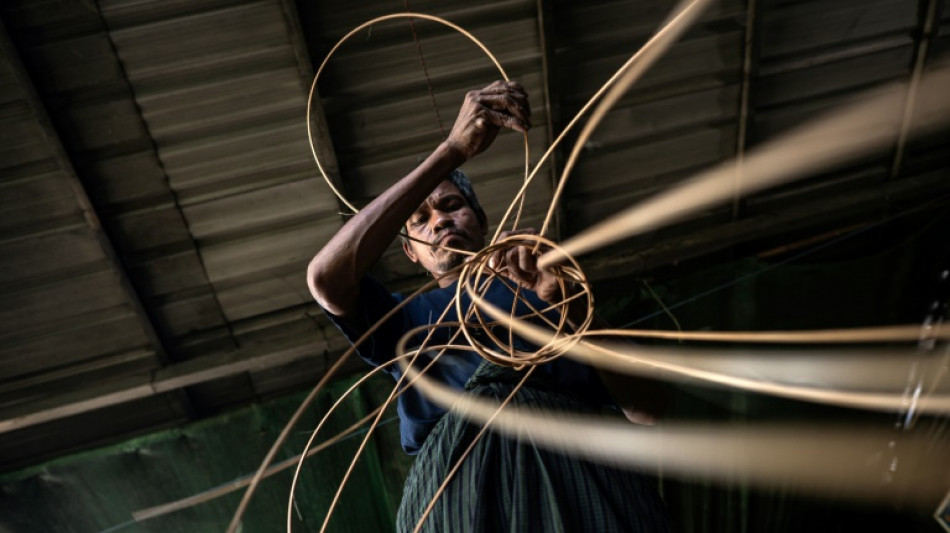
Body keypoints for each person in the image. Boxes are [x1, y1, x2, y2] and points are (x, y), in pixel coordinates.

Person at [308, 80, 671, 532]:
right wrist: (453, 149)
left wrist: (574, 314)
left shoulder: (546, 290)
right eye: (419, 220)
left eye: (452, 205)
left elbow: (649, 409)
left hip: (576, 466)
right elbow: (326, 278)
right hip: (453, 487)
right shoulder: (400, 319)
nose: (439, 220)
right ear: (410, 253)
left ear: (481, 222)